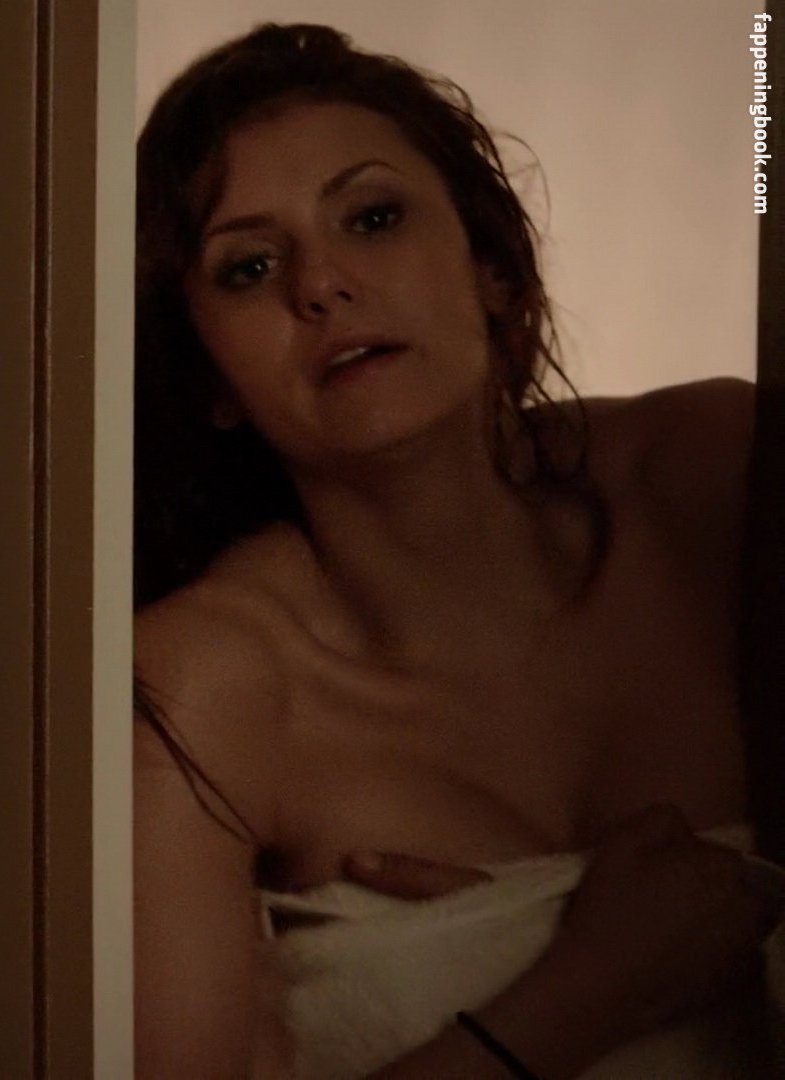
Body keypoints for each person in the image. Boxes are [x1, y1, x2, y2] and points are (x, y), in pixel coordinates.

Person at [131, 22, 784, 1079]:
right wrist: (586, 984)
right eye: (249, 267)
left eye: (373, 217)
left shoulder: (718, 477)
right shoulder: (201, 686)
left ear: (492, 271)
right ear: (210, 380)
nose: (321, 284)